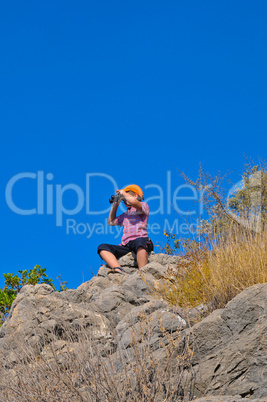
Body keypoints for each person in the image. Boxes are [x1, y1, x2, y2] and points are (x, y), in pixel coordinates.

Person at [97, 184, 153, 274]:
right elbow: (111, 222)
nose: (124, 199)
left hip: (140, 239)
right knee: (102, 247)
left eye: (127, 196)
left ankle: (143, 273)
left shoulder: (143, 205)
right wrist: (115, 205)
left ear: (135, 195)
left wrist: (123, 193)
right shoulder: (125, 214)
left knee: (140, 243)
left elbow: (135, 203)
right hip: (126, 245)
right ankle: (118, 269)